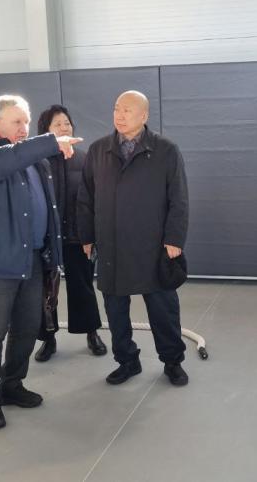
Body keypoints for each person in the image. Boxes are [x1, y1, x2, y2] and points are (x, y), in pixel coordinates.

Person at [0, 94, 81, 429]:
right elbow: (0, 163)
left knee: (27, 328)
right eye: (17, 121)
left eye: (26, 121)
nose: (24, 128)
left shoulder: (28, 154)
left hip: (32, 257)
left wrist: (51, 252)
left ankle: (12, 384)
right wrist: (49, 142)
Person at [77, 90, 190, 387]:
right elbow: (85, 198)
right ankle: (127, 360)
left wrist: (174, 239)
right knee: (115, 310)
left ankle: (172, 361)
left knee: (163, 309)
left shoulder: (165, 150)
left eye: (127, 110)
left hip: (153, 246)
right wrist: (86, 236)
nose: (120, 115)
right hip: (111, 245)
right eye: (117, 108)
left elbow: (179, 198)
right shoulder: (99, 150)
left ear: (144, 115)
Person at [33, 104, 107, 360]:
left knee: (83, 287)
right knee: (46, 291)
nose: (64, 127)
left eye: (67, 123)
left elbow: (94, 200)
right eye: (57, 124)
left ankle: (92, 333)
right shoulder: (37, 161)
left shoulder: (85, 159)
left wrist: (90, 236)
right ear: (46, 131)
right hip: (47, 238)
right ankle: (48, 339)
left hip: (78, 237)